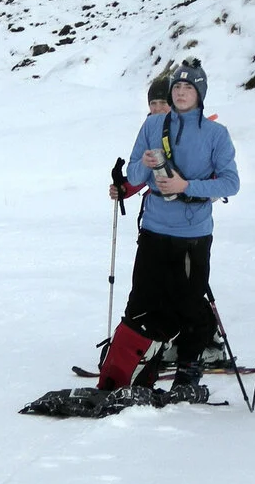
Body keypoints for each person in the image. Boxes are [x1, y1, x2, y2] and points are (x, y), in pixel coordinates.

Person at [98, 59, 240, 400]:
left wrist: (186, 185)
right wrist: (139, 169)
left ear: (199, 94)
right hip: (154, 229)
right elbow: (134, 176)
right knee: (142, 302)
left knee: (190, 304)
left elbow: (230, 183)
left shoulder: (216, 135)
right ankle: (141, 366)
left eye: (188, 87)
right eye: (177, 86)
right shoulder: (152, 126)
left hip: (193, 235)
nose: (180, 92)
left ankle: (188, 374)